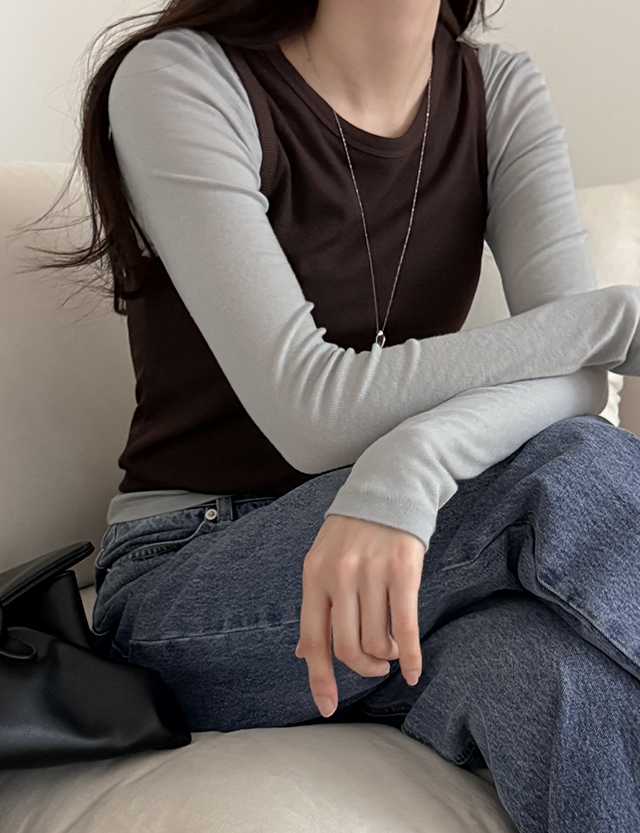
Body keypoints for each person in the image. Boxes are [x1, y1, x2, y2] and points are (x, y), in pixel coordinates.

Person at [38, 0, 640, 830]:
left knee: (555, 677)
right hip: (194, 574)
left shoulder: (497, 90)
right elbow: (311, 410)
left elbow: (575, 380)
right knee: (569, 464)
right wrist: (612, 319)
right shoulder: (183, 77)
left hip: (412, 567)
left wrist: (415, 461)